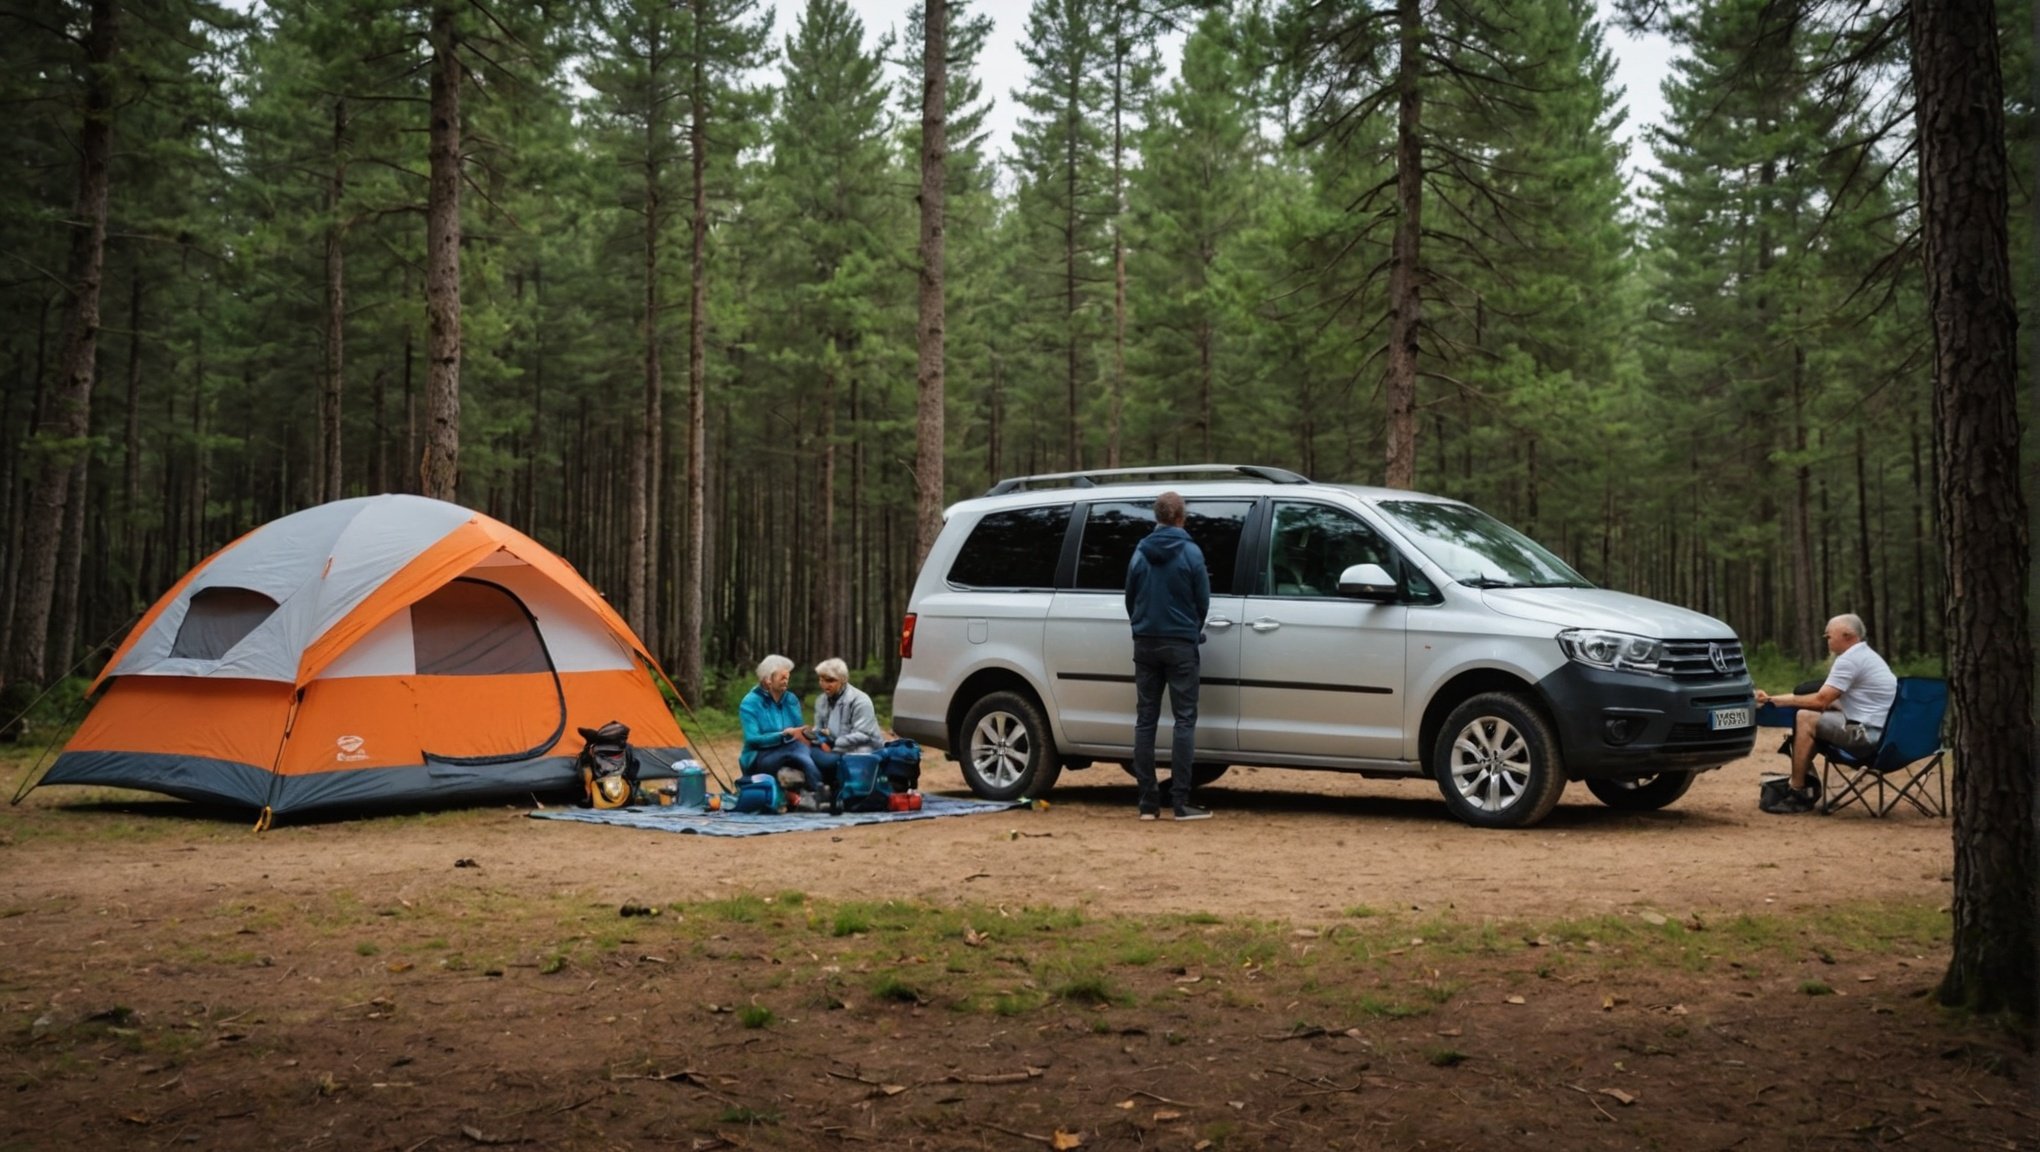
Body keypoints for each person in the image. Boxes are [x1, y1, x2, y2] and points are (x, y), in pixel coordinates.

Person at [1125, 490, 1213, 821]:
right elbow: (1202, 600)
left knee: (1145, 720)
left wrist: (1141, 627)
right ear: (1181, 517)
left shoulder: (1139, 553)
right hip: (1179, 645)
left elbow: (1130, 597)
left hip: (1145, 643)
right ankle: (1180, 802)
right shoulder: (1191, 553)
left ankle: (1148, 804)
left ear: (1157, 517)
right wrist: (1191, 629)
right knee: (1184, 720)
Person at [1754, 613, 1898, 814]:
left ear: (1847, 635)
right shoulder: (1868, 656)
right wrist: (1772, 699)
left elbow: (1820, 701)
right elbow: (1834, 701)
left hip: (1868, 737)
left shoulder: (1850, 660)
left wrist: (1776, 701)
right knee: (1811, 713)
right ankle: (1803, 781)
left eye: (1829, 636)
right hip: (1890, 737)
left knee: (1805, 718)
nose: (1826, 640)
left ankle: (1797, 790)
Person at [739, 654, 823, 798]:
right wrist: (783, 734)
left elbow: (798, 729)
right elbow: (752, 739)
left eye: (787, 678)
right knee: (795, 760)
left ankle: (818, 796)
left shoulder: (791, 699)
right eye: (782, 678)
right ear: (767, 679)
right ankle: (782, 798)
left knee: (809, 759)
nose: (786, 682)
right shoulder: (750, 703)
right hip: (761, 752)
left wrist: (810, 733)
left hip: (791, 746)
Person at [807, 657, 884, 792]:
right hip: (833, 747)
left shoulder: (861, 700)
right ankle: (819, 791)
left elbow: (864, 734)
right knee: (803, 753)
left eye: (830, 680)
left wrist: (835, 745)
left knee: (822, 760)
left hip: (860, 750)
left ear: (843, 680)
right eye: (821, 679)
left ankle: (831, 790)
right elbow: (819, 729)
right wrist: (818, 740)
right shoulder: (821, 701)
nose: (824, 685)